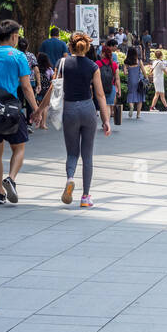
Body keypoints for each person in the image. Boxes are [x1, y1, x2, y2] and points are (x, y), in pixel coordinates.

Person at [40, 31, 110, 207]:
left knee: (72, 153)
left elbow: (53, 89)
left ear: (69, 46)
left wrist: (39, 109)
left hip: (69, 109)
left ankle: (70, 178)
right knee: (87, 155)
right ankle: (86, 197)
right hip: (88, 109)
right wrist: (106, 119)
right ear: (86, 48)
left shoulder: (62, 63)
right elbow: (100, 95)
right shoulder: (93, 66)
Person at [0, 19, 40, 205]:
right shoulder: (19, 56)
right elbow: (27, 87)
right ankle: (11, 178)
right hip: (12, 110)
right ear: (13, 36)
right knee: (19, 148)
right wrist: (36, 109)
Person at [97, 42, 119, 114]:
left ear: (103, 54)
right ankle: (107, 122)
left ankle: (104, 123)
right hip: (111, 87)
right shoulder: (114, 64)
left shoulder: (97, 63)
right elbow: (117, 78)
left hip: (100, 87)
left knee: (102, 106)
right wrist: (119, 90)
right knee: (108, 106)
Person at [123, 46, 145, 119]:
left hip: (131, 81)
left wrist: (129, 70)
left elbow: (125, 73)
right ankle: (138, 115)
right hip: (139, 81)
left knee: (130, 94)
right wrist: (147, 78)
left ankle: (131, 106)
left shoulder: (126, 62)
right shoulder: (138, 61)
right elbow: (143, 70)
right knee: (140, 97)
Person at [35, 53, 55, 129]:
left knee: (39, 106)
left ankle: (38, 123)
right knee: (45, 107)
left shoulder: (36, 69)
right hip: (46, 90)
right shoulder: (49, 69)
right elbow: (53, 78)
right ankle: (43, 123)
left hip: (38, 89)